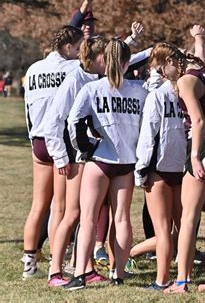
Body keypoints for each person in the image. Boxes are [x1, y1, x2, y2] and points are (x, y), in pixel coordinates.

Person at [150, 28, 205, 295]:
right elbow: (199, 55)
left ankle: (181, 282)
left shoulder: (187, 81)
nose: (162, 76)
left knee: (188, 217)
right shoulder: (203, 71)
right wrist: (199, 37)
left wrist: (194, 156)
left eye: (160, 69)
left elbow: (198, 121)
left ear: (170, 63)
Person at [64, 39, 148, 290]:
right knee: (122, 218)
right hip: (127, 161)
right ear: (126, 62)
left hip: (101, 160)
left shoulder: (92, 89)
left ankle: (80, 274)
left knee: (88, 218)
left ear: (105, 60)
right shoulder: (141, 91)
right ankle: (118, 274)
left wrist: (86, 148)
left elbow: (73, 122)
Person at [44, 35, 109, 286]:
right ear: (95, 58)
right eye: (106, 56)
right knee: (72, 213)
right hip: (74, 153)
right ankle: (55, 271)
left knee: (86, 213)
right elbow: (54, 121)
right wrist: (60, 156)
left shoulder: (98, 77)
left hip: (90, 153)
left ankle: (87, 268)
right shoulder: (74, 80)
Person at [22, 25, 84, 280]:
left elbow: (27, 107)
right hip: (59, 140)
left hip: (38, 140)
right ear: (68, 48)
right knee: (59, 206)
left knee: (38, 205)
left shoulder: (33, 69)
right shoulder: (72, 68)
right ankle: (55, 264)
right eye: (79, 48)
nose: (81, 53)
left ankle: (29, 262)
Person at [134, 49, 187, 290]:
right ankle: (182, 276)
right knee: (183, 227)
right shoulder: (191, 93)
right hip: (183, 167)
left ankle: (162, 279)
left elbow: (148, 135)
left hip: (160, 167)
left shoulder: (157, 95)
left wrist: (141, 170)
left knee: (163, 229)